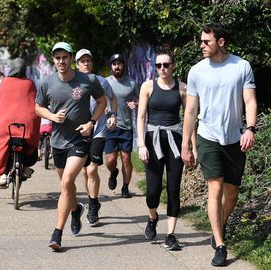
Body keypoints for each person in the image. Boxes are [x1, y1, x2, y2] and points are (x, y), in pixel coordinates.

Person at [182, 23, 257, 267]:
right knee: (215, 187)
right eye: (201, 41)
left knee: (232, 191)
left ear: (221, 42)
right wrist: (186, 144)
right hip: (208, 136)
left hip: (235, 138)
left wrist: (250, 128)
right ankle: (220, 245)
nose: (201, 45)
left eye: (206, 41)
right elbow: (191, 111)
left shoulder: (241, 66)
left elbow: (250, 100)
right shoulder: (196, 71)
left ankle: (220, 224)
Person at [35, 42, 106, 251]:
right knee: (68, 188)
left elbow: (102, 102)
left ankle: (57, 233)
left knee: (66, 182)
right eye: (57, 58)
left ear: (71, 58)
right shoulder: (47, 83)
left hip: (80, 139)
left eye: (64, 57)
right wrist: (52, 116)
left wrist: (91, 122)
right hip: (58, 142)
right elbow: (37, 107)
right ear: (53, 60)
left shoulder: (88, 80)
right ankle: (75, 210)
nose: (61, 61)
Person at [137, 49, 197, 250]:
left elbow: (190, 119)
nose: (162, 69)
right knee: (153, 191)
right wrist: (141, 144)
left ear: (173, 66)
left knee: (173, 188)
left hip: (175, 141)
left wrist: (192, 146)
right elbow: (141, 117)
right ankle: (152, 216)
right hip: (152, 140)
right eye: (158, 65)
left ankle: (171, 234)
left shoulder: (182, 88)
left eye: (165, 65)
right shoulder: (147, 86)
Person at [75, 48, 117, 226]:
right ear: (76, 64)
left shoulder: (101, 81)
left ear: (92, 63)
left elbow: (112, 99)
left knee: (92, 170)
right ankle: (94, 199)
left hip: (98, 131)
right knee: (85, 171)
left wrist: (112, 114)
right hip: (79, 132)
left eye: (88, 60)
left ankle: (92, 205)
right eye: (82, 61)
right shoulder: (73, 83)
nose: (86, 63)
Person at [0, 58, 40, 188]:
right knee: (30, 140)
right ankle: (24, 167)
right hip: (28, 124)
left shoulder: (5, 82)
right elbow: (37, 101)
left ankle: (2, 174)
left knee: (0, 142)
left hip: (7, 124)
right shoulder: (30, 83)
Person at [104, 53, 140, 198]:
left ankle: (125, 187)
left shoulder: (132, 84)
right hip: (110, 127)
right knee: (111, 160)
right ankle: (113, 172)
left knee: (126, 158)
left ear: (123, 66)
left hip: (126, 127)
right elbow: (98, 99)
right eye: (114, 64)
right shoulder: (105, 82)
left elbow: (141, 100)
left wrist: (136, 103)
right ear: (111, 66)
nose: (117, 66)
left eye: (119, 63)